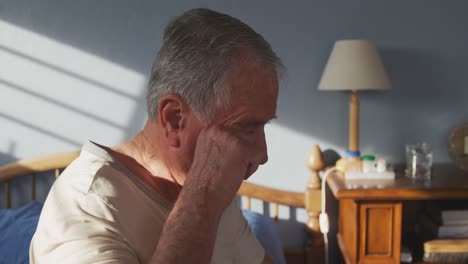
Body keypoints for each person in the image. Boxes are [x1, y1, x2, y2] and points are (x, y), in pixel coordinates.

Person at [30, 8, 283, 264]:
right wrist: (203, 197)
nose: (263, 154)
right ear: (174, 119)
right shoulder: (85, 203)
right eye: (246, 128)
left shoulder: (214, 190)